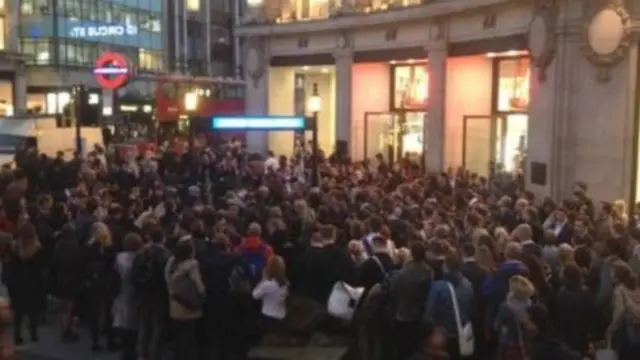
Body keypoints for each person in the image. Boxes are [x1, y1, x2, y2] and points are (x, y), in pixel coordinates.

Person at [424, 252, 475, 360]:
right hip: (463, 336)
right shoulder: (468, 285)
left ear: (445, 267)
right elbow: (472, 310)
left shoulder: (438, 287)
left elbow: (429, 315)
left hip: (443, 339)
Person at [3, 222, 46, 345]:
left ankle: (17, 335)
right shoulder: (37, 249)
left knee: (18, 312)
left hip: (17, 282)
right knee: (33, 311)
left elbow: (10, 264)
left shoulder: (14, 247)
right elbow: (40, 268)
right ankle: (33, 334)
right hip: (33, 283)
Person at [165, 240, 205, 360]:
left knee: (178, 334)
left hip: (175, 301)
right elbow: (198, 284)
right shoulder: (192, 266)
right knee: (188, 335)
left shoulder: (171, 264)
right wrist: (202, 294)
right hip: (188, 303)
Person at [112, 233, 143, 360]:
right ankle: (133, 351)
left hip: (121, 291)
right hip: (136, 292)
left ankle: (125, 351)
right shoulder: (140, 257)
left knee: (123, 321)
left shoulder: (119, 258)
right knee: (135, 322)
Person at [252, 255, 289, 338]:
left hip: (268, 316)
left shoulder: (268, 284)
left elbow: (255, 295)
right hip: (282, 315)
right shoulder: (286, 283)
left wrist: (263, 279)